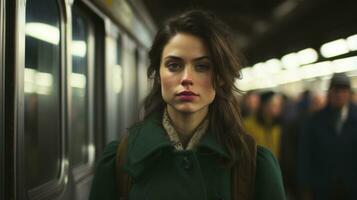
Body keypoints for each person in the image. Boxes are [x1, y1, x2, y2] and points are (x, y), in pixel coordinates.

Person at [89, 10, 285, 200]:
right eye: (174, 65)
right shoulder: (121, 159)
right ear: (158, 75)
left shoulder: (252, 165)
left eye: (202, 66)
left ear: (221, 78)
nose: (186, 79)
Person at [298, 73, 357, 200]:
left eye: (344, 90)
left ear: (349, 93)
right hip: (323, 187)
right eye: (336, 90)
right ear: (330, 93)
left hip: (352, 186)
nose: (340, 94)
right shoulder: (315, 121)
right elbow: (305, 154)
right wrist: (305, 186)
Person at [243, 91, 283, 159]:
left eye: (279, 105)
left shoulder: (278, 127)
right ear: (264, 105)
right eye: (274, 105)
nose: (278, 108)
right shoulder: (247, 124)